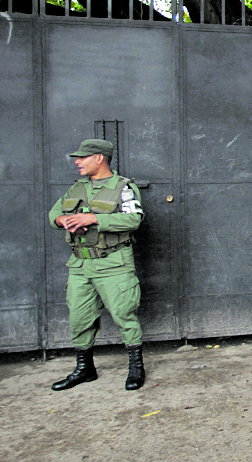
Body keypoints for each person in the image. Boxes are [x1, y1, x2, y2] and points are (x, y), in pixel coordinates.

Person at [48, 139, 146, 391]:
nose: (77, 162)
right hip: (80, 265)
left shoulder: (123, 187)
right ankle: (84, 369)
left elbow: (134, 219)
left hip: (113, 263)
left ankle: (135, 368)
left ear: (99, 158)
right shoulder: (77, 188)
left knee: (125, 315)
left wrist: (93, 218)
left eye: (83, 157)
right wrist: (64, 220)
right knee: (79, 318)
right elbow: (54, 214)